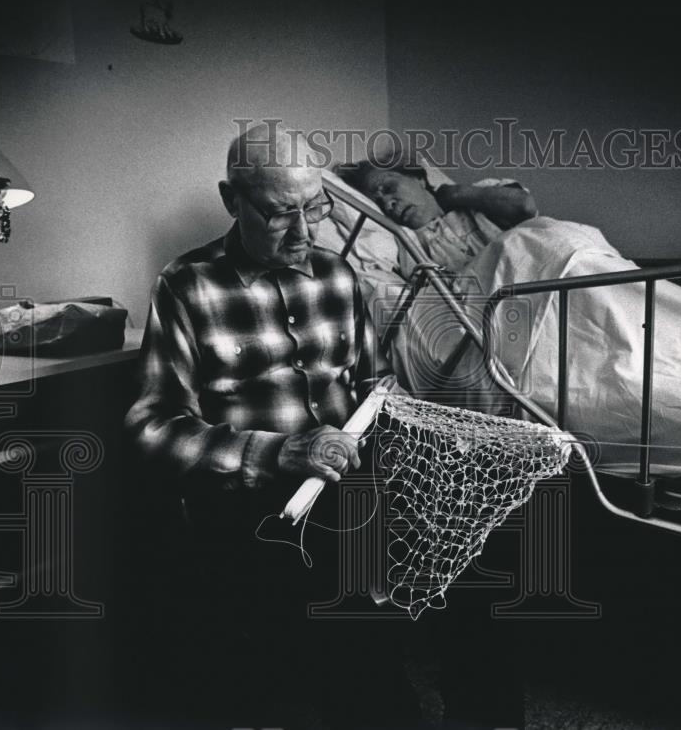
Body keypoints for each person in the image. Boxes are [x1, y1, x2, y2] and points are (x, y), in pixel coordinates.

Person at [125, 126, 421, 729]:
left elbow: (376, 385)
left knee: (483, 562)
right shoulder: (185, 285)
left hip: (345, 490)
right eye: (281, 213)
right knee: (326, 636)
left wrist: (393, 425)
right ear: (231, 200)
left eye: (316, 208)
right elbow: (152, 425)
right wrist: (276, 453)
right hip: (249, 503)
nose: (305, 233)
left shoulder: (339, 277)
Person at [339, 159, 537, 277]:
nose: (388, 204)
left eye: (389, 188)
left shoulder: (480, 200)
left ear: (419, 179)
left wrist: (456, 194)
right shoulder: (407, 249)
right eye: (380, 205)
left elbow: (524, 206)